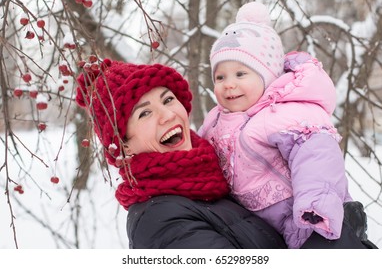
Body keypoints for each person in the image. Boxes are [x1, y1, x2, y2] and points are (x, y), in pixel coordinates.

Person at [199, 1, 376, 249]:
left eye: (240, 74)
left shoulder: (287, 111)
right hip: (259, 226)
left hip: (306, 218)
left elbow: (317, 156)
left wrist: (315, 205)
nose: (228, 84)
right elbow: (199, 154)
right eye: (220, 76)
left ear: (268, 75)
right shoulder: (215, 120)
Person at [75, 58, 287, 249]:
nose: (168, 115)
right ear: (124, 146)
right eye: (144, 113)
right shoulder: (159, 221)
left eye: (167, 100)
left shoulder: (220, 175)